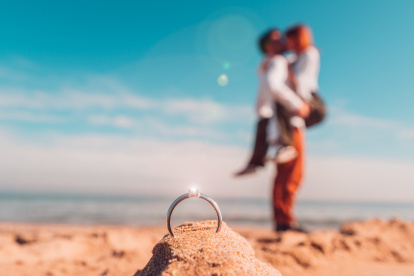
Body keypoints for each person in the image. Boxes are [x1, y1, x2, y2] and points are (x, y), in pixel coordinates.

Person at [234, 30, 309, 177]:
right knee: (292, 175)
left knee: (285, 175)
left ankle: (254, 162)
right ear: (268, 46)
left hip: (273, 120)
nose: (282, 41)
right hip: (288, 123)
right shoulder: (278, 61)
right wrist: (297, 104)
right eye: (277, 40)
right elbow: (273, 85)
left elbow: (263, 95)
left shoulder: (268, 64)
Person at [273, 24, 320, 232]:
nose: (286, 43)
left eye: (289, 39)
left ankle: (283, 218)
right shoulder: (292, 60)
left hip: (291, 120)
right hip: (291, 122)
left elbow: (301, 84)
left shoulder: (309, 54)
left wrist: (287, 67)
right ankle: (285, 220)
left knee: (287, 172)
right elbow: (299, 86)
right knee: (292, 172)